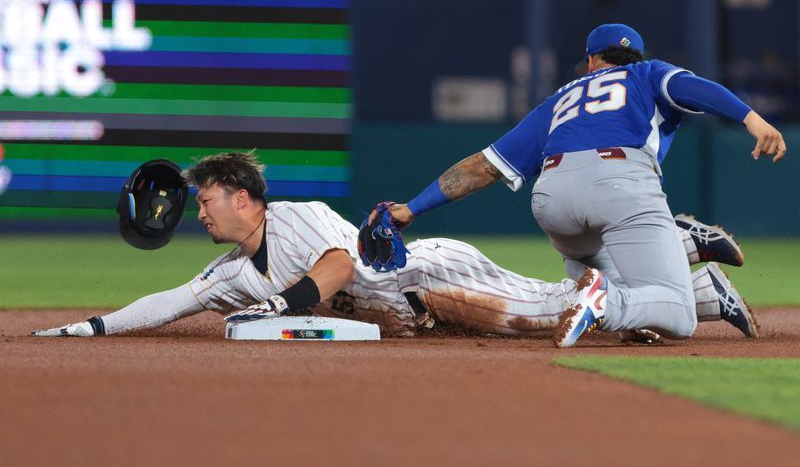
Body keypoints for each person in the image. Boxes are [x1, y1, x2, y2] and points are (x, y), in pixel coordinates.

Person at [33, 151, 753, 340]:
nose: (201, 209)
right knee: (554, 312)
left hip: (431, 269)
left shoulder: (294, 217)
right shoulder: (230, 270)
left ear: (244, 196)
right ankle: (683, 275)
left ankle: (692, 279)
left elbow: (339, 266)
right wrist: (90, 326)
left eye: (209, 197)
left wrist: (277, 310)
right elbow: (172, 301)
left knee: (556, 312)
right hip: (420, 308)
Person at [366, 23, 784, 348]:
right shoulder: (646, 73)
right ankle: (624, 292)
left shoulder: (560, 100)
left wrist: (411, 209)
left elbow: (483, 168)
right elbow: (693, 88)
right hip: (621, 186)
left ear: (590, 61)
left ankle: (702, 290)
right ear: (634, 57)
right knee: (677, 315)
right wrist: (752, 118)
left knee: (606, 270)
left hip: (553, 201)